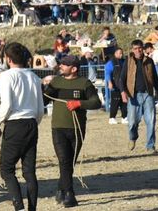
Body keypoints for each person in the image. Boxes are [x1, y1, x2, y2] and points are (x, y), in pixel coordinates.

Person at [43, 55, 101, 207]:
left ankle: (60, 189)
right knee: (64, 160)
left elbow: (96, 102)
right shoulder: (56, 82)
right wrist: (40, 87)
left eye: (65, 64)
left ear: (74, 68)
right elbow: (43, 100)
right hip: (58, 128)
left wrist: (79, 103)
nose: (61, 66)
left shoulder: (84, 83)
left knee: (70, 162)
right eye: (61, 64)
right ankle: (70, 194)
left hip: (77, 129)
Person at [0, 42, 44, 211]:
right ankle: (32, 208)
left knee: (6, 169)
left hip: (15, 124)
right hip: (32, 123)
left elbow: (6, 104)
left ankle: (19, 207)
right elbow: (40, 109)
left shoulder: (7, 76)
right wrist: (33, 123)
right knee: (29, 171)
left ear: (8, 59)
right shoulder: (34, 77)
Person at [118, 39, 158, 152]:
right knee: (132, 122)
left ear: (143, 48)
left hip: (148, 95)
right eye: (135, 48)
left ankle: (150, 146)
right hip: (133, 95)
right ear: (132, 50)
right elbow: (121, 79)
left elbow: (155, 79)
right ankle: (133, 137)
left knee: (150, 120)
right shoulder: (128, 61)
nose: (138, 50)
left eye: (140, 48)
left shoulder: (149, 61)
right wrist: (123, 92)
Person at [105, 48, 128, 124]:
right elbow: (108, 73)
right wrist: (109, 82)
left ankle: (124, 117)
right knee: (115, 102)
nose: (121, 54)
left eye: (121, 53)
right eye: (119, 53)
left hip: (123, 85)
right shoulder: (111, 62)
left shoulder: (124, 61)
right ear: (115, 54)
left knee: (124, 101)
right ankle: (112, 118)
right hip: (115, 85)